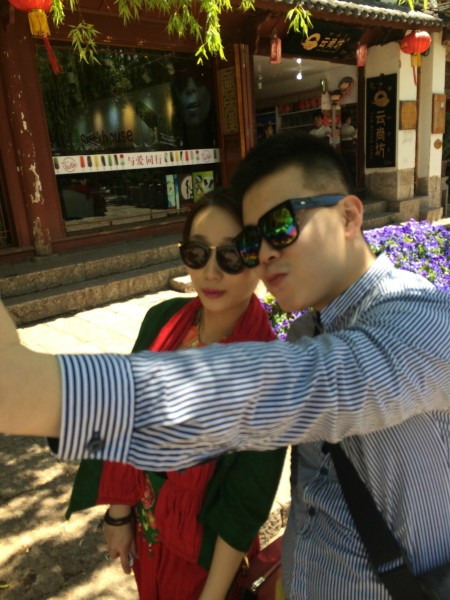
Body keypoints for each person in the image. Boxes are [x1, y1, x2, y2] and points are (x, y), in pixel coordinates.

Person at [0, 132, 449, 599]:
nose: (265, 253)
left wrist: (37, 392)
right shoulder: (305, 332)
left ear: (348, 217)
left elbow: (293, 387)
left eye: (280, 225)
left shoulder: (422, 320)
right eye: (253, 241)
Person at [66, 189, 285, 599]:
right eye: (198, 253)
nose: (211, 272)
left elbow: (243, 504)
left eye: (231, 256)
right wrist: (119, 515)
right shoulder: (162, 321)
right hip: (149, 532)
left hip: (206, 557)